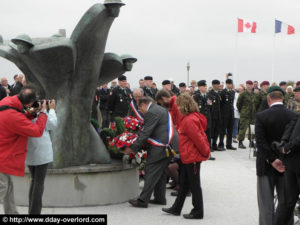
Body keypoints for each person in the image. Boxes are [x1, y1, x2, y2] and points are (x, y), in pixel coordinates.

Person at [123, 97, 179, 208]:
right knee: (161, 171)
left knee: (151, 170)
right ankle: (160, 198)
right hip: (170, 144)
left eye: (139, 108)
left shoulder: (152, 112)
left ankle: (143, 200)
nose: (139, 111)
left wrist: (133, 148)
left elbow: (146, 133)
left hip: (163, 145)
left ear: (143, 104)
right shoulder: (159, 109)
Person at [0, 86, 48, 214]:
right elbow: (37, 131)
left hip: (3, 155)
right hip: (2, 155)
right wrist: (42, 113)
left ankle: (12, 214)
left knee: (7, 187)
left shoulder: (7, 101)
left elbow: (19, 116)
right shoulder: (14, 116)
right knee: (3, 188)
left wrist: (32, 111)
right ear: (29, 102)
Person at [162, 94, 210, 219]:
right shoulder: (189, 118)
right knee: (184, 183)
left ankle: (198, 211)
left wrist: (206, 153)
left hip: (191, 157)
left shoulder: (189, 120)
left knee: (194, 185)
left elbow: (198, 139)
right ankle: (176, 208)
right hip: (188, 156)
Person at [255, 86, 296, 225]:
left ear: (268, 99)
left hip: (266, 164)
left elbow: (260, 142)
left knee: (266, 205)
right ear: (283, 98)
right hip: (287, 165)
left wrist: (272, 159)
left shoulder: (261, 116)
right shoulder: (293, 116)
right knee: (286, 204)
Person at [26, 99, 57, 214]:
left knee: (34, 181)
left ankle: (32, 211)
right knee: (39, 183)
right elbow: (53, 124)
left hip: (30, 153)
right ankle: (35, 213)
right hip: (42, 153)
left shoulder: (26, 114)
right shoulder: (41, 115)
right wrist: (51, 109)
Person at [274, 110, 300, 224]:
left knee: (287, 202)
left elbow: (290, 126)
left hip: (291, 160)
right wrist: (286, 145)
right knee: (286, 202)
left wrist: (285, 145)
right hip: (293, 161)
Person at [193, 80, 216, 160]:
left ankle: (208, 153)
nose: (205, 87)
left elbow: (210, 106)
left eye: (206, 86)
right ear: (199, 87)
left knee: (208, 137)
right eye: (203, 86)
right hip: (199, 119)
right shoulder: (196, 96)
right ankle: (199, 152)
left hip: (207, 119)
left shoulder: (208, 96)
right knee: (199, 137)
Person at [237, 80, 257, 149]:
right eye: (249, 84)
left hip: (252, 114)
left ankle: (251, 142)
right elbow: (238, 104)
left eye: (251, 85)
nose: (250, 86)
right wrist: (242, 111)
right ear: (246, 85)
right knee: (243, 128)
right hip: (245, 114)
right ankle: (240, 142)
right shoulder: (243, 94)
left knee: (252, 129)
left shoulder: (254, 94)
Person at [219, 79, 236, 150]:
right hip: (224, 114)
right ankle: (221, 144)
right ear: (226, 84)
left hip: (231, 113)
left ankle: (229, 144)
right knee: (223, 130)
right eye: (228, 84)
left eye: (230, 84)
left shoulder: (232, 92)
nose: (229, 85)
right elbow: (220, 104)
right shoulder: (222, 92)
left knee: (230, 130)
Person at [208, 80, 222, 151]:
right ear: (213, 85)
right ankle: (209, 146)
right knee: (211, 131)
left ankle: (214, 145)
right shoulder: (210, 94)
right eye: (217, 84)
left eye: (219, 84)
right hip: (212, 116)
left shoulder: (219, 93)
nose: (218, 86)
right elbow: (209, 105)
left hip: (218, 115)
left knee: (217, 131)